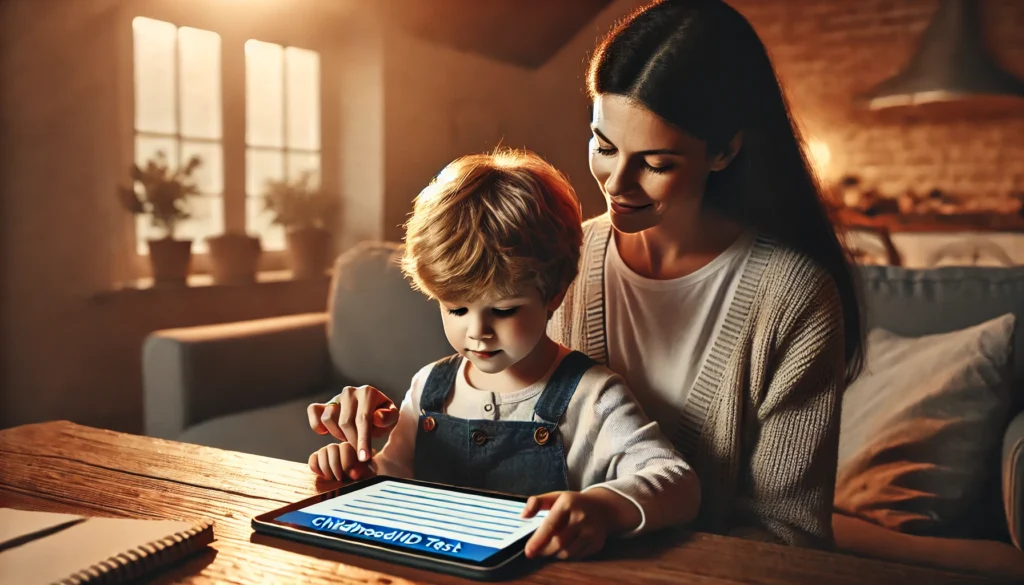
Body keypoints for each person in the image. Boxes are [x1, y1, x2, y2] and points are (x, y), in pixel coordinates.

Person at [311, 0, 865, 550]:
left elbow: (788, 535)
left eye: (655, 163)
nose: (616, 183)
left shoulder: (795, 296)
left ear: (723, 151)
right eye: (604, 146)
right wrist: (381, 430)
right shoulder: (556, 252)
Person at [307, 149, 700, 561]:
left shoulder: (593, 395)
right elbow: (395, 479)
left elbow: (677, 482)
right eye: (456, 308)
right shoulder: (429, 389)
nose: (477, 332)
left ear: (554, 294)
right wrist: (355, 467)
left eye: (504, 309)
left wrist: (604, 508)